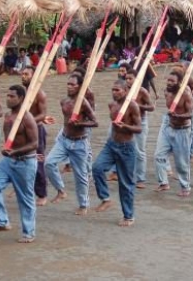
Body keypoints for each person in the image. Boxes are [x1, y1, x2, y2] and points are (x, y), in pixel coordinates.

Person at [0, 84, 39, 243]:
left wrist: (16, 152)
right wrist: (9, 151)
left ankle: (29, 233)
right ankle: (2, 222)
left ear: (21, 98)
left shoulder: (27, 118)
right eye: (7, 96)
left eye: (12, 96)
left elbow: (34, 144)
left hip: (25, 162)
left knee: (25, 198)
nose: (8, 99)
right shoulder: (8, 116)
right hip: (9, 161)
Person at [45, 73, 97, 214]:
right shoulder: (64, 101)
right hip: (63, 139)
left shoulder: (84, 103)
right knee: (48, 163)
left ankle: (83, 205)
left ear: (79, 87)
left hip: (79, 143)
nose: (69, 87)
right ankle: (61, 190)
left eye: (73, 85)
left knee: (81, 176)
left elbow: (95, 121)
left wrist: (80, 123)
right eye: (68, 84)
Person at [92, 79, 142, 227]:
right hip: (111, 144)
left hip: (126, 147)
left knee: (125, 184)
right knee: (97, 168)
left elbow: (139, 128)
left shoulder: (132, 105)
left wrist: (125, 126)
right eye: (113, 90)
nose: (114, 93)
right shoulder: (112, 105)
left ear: (125, 91)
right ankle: (106, 198)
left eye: (117, 90)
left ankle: (128, 216)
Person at [154, 72, 193, 196]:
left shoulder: (186, 93)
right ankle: (163, 183)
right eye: (168, 80)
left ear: (179, 82)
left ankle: (185, 187)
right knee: (158, 155)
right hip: (168, 126)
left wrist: (178, 115)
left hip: (182, 129)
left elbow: (190, 114)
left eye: (172, 81)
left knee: (181, 162)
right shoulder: (167, 92)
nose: (169, 83)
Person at [21, 66, 50, 206]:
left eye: (26, 74)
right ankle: (27, 189)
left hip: (37, 131)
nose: (23, 76)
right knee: (23, 160)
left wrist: (29, 122)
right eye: (22, 74)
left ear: (34, 76)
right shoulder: (22, 93)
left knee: (38, 162)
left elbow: (42, 115)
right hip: (22, 131)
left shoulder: (39, 94)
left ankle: (42, 193)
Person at [125, 69, 154, 189]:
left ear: (136, 80)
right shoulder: (124, 90)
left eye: (130, 78)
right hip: (127, 122)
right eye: (126, 78)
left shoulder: (142, 91)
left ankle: (141, 178)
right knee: (127, 149)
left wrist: (137, 105)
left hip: (140, 122)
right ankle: (128, 175)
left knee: (139, 151)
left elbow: (151, 107)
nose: (127, 81)